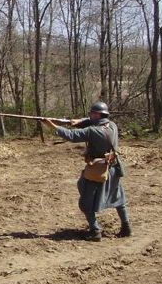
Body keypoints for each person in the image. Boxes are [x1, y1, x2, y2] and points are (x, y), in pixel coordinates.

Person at [42, 102, 132, 242]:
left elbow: (71, 135)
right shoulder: (112, 125)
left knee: (85, 198)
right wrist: (76, 121)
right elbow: (89, 122)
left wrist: (52, 125)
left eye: (91, 114)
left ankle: (95, 231)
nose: (89, 115)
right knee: (118, 198)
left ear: (96, 115)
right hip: (113, 168)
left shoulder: (92, 131)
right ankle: (126, 226)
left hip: (99, 170)